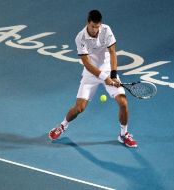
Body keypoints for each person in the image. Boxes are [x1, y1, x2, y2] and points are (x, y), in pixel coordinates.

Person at [48, 10, 137, 148]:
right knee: (79, 108)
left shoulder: (106, 30)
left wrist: (113, 75)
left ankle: (123, 134)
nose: (95, 30)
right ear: (88, 23)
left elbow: (113, 52)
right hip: (91, 73)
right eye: (93, 27)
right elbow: (87, 64)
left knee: (123, 103)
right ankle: (62, 126)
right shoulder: (80, 38)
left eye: (97, 27)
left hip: (108, 70)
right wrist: (104, 77)